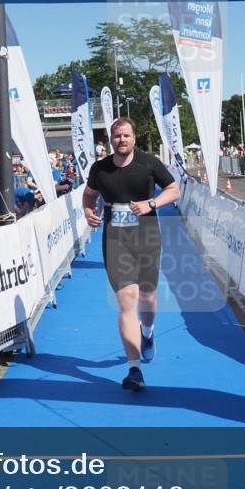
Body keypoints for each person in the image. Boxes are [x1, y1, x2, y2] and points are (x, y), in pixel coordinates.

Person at [82, 118, 181, 391]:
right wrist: (88, 211)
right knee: (127, 300)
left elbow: (174, 190)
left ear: (134, 138)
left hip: (147, 236)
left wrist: (152, 203)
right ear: (110, 140)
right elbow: (89, 195)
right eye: (117, 136)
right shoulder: (99, 169)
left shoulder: (149, 163)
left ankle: (147, 333)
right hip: (115, 239)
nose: (121, 140)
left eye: (126, 135)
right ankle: (134, 369)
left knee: (148, 295)